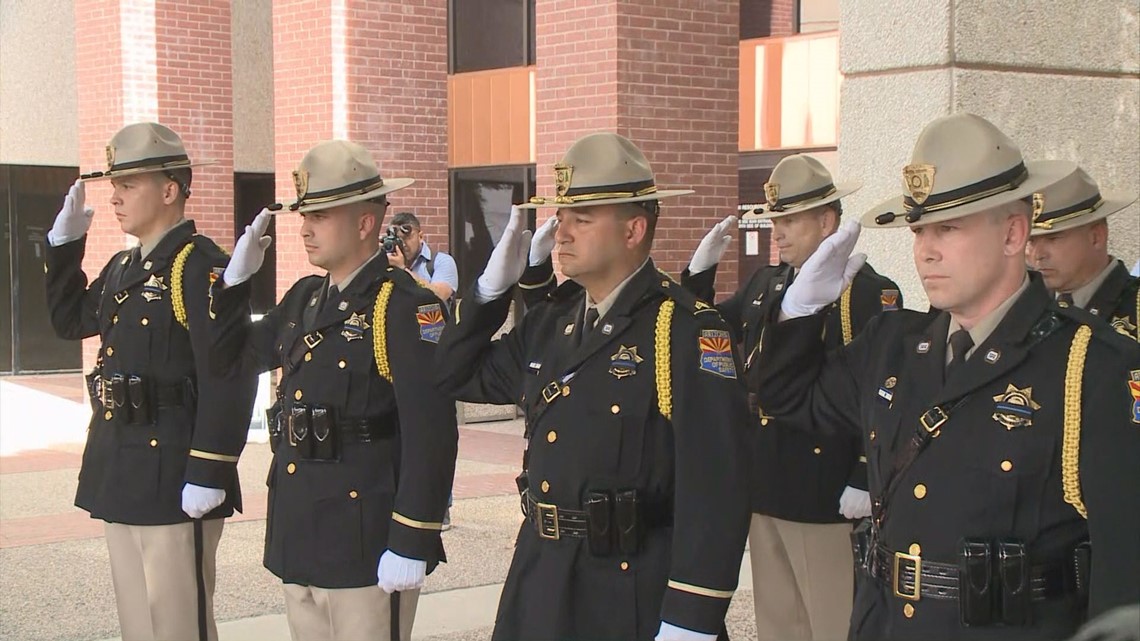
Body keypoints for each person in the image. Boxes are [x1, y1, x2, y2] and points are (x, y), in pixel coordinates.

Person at [751, 112, 1140, 640]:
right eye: (919, 230)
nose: (925, 250)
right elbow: (785, 398)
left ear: (1012, 234)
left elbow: (1125, 567)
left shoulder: (1091, 364)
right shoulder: (893, 346)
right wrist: (800, 309)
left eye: (948, 228)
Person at [434, 132, 752, 641]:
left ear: (633, 230)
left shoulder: (684, 331)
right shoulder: (552, 323)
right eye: (561, 218)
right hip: (541, 575)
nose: (562, 233)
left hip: (628, 588)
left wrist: (693, 616)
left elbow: (717, 485)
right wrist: (490, 292)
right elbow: (452, 373)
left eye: (581, 219)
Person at [208, 140, 458, 641]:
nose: (304, 228)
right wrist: (235, 282)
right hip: (301, 521)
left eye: (320, 215)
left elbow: (431, 429)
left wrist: (414, 534)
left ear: (365, 223)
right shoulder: (304, 297)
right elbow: (229, 359)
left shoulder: (406, 306)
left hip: (364, 535)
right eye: (305, 215)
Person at [44, 122, 254, 641]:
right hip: (121, 462)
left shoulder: (199, 265)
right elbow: (72, 321)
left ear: (169, 190)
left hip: (174, 471)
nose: (114, 197)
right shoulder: (122, 267)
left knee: (178, 622)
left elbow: (229, 372)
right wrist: (65, 246)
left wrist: (211, 470)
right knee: (138, 621)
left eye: (128, 185)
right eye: (114, 185)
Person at [682, 154, 903, 641]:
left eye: (788, 221)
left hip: (825, 486)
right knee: (779, 624)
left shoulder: (866, 293)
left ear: (827, 220)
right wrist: (699, 276)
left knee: (831, 623)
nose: (776, 232)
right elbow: (707, 330)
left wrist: (866, 473)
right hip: (766, 478)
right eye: (773, 220)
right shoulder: (768, 283)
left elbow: (883, 392)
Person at [1026, 166, 1138, 341]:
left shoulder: (1135, 306)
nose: (1038, 254)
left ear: (1096, 237)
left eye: (1052, 238)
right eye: (1031, 241)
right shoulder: (1026, 310)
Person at [385, 211, 459, 306]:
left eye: (407, 238)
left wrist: (403, 270)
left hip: (429, 319)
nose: (403, 244)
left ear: (420, 236)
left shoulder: (441, 261)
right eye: (398, 239)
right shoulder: (387, 262)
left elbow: (440, 295)